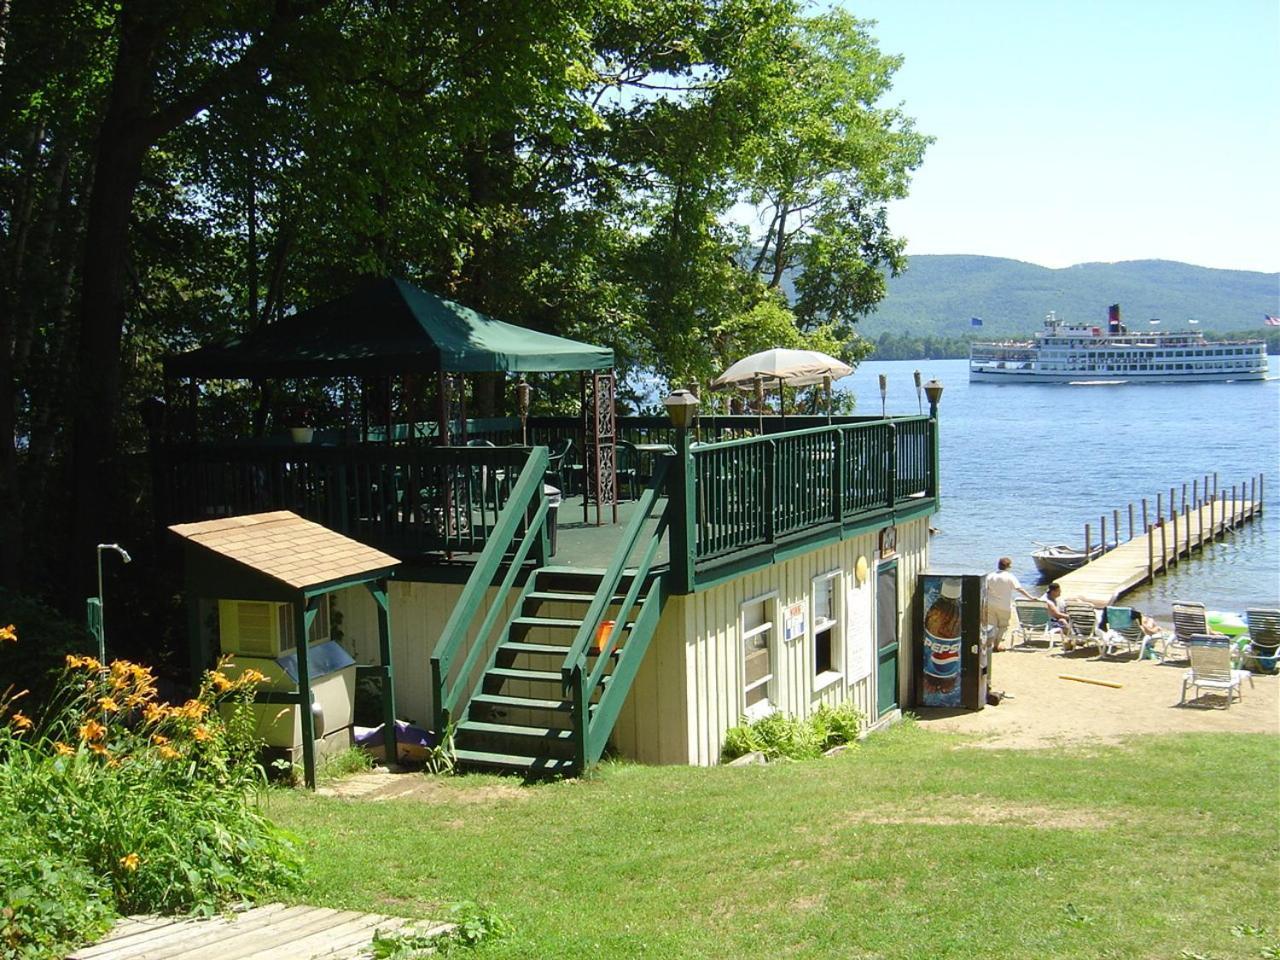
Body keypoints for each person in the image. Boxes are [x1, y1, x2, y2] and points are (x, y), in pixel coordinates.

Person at [984, 557, 1037, 651]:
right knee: (1003, 626)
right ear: (1008, 566)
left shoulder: (990, 576)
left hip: (990, 604)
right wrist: (1030, 597)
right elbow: (1019, 588)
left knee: (992, 625)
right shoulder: (1010, 576)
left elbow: (984, 589)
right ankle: (997, 644)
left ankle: (991, 644)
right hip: (1004, 605)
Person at [1041, 582, 1075, 646]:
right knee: (1063, 621)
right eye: (1059, 591)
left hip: (1042, 621)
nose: (1060, 593)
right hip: (1048, 624)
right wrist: (1071, 617)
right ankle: (1073, 639)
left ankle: (1073, 639)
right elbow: (1057, 614)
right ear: (1053, 592)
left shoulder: (1044, 598)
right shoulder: (1048, 602)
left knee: (1063, 619)